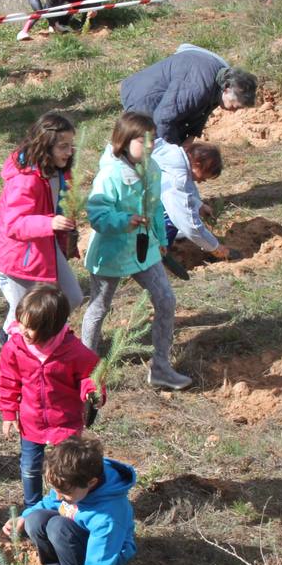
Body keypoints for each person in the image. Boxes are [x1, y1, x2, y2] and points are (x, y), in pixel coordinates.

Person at [81, 111, 187, 391]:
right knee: (99, 307)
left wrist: (161, 237)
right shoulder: (110, 175)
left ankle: (161, 367)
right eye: (143, 140)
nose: (150, 145)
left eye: (153, 138)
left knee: (165, 299)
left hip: (144, 250)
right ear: (124, 141)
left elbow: (156, 206)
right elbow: (97, 215)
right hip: (112, 252)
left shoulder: (151, 168)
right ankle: (84, 370)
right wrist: (123, 222)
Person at [2, 435, 136, 565]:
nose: (58, 497)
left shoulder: (108, 516)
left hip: (103, 559)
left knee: (58, 528)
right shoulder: (72, 479)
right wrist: (24, 516)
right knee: (35, 520)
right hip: (77, 537)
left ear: (91, 483)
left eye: (65, 494)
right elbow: (51, 501)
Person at [0, 284, 102, 508]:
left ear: (50, 329)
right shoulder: (15, 347)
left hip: (64, 423)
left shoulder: (73, 351)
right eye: (20, 323)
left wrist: (93, 392)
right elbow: (8, 381)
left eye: (30, 327)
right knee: (30, 467)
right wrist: (8, 412)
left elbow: (90, 377)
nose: (22, 331)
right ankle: (32, 508)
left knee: (67, 468)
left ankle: (66, 505)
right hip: (31, 421)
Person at [0, 111, 84, 337]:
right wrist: (50, 224)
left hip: (43, 246)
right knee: (25, 315)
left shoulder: (58, 171)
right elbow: (14, 224)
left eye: (71, 145)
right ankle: (12, 346)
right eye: (63, 146)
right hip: (18, 256)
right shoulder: (25, 179)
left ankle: (45, 341)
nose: (69, 151)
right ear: (45, 145)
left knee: (72, 297)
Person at [119, 44, 257, 145]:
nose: (234, 111)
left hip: (161, 102)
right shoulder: (198, 86)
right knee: (146, 147)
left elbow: (202, 110)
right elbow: (164, 119)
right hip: (143, 97)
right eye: (236, 106)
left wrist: (190, 137)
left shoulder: (218, 82)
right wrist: (174, 153)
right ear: (227, 89)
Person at [153, 139, 230, 277]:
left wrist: (199, 205)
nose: (202, 181)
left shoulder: (171, 153)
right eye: (204, 176)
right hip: (128, 208)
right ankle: (156, 254)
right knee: (171, 217)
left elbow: (167, 188)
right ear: (197, 164)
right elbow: (189, 224)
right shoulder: (178, 178)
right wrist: (215, 247)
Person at [15, 0, 82, 42]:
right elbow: (49, 11)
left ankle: (55, 26)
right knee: (39, 12)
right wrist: (55, 25)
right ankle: (22, 32)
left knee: (57, 4)